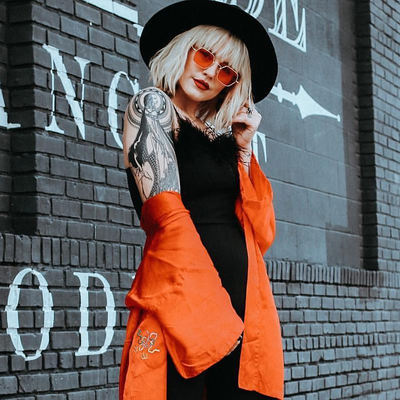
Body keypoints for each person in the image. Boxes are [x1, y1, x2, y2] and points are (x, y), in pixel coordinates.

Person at [119, 1, 284, 399]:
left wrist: (243, 150)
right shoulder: (153, 105)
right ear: (184, 49)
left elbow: (261, 233)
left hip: (244, 307)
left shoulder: (220, 137)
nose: (211, 73)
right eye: (205, 55)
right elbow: (167, 217)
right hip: (185, 300)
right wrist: (213, 312)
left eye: (226, 71)